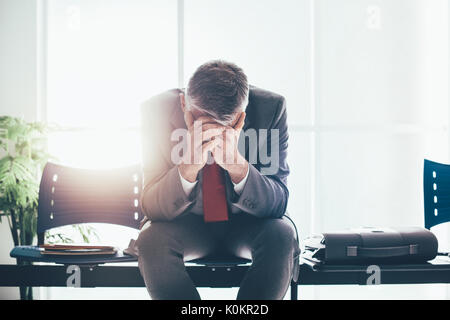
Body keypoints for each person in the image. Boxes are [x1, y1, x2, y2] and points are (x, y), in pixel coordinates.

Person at [136, 60, 300, 300]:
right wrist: (187, 169)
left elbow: (277, 203)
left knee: (282, 235)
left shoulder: (271, 108)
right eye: (205, 123)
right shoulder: (156, 111)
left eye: (227, 124)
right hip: (185, 225)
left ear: (244, 110)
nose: (214, 134)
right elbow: (152, 206)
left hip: (248, 225)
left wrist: (237, 166)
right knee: (151, 240)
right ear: (184, 103)